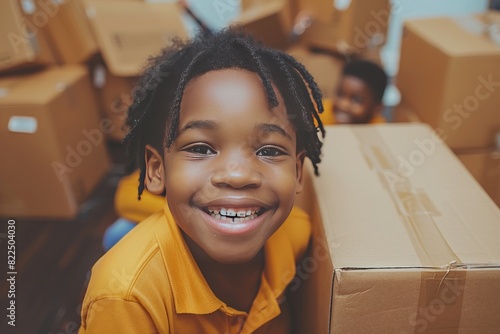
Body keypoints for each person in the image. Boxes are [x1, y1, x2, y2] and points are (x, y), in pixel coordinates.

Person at [79, 28, 324, 333]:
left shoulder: (295, 236)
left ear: (298, 173)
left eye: (269, 150)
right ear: (156, 170)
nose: (237, 175)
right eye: (200, 148)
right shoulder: (126, 298)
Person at [319, 59, 388, 125]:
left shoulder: (378, 128)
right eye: (340, 94)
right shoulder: (320, 115)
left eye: (356, 100)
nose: (343, 104)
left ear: (376, 109)